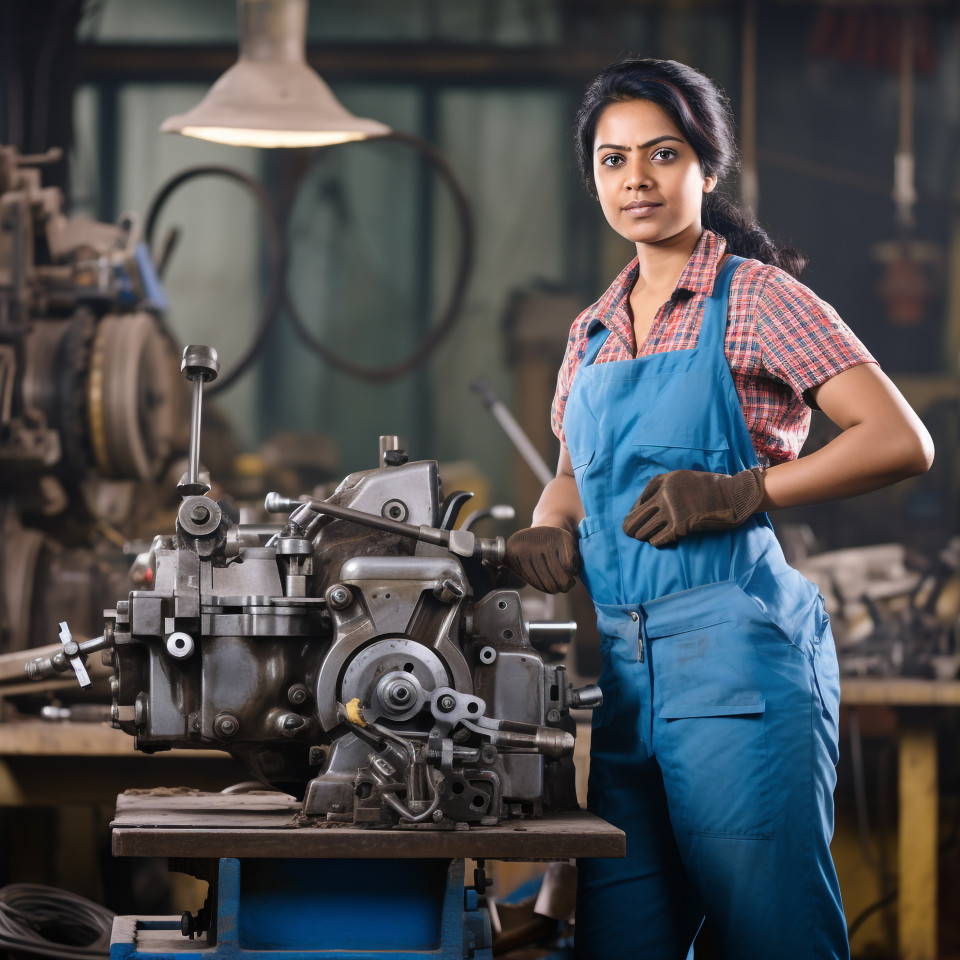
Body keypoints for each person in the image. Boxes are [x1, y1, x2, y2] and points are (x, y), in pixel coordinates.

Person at [503, 58, 933, 960]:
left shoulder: (759, 300)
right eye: (613, 161)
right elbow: (574, 472)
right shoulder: (592, 330)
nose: (637, 180)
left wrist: (746, 491)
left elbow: (899, 439)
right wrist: (550, 521)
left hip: (740, 662)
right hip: (624, 675)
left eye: (661, 154)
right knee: (624, 935)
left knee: (768, 934)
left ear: (706, 165)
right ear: (593, 179)